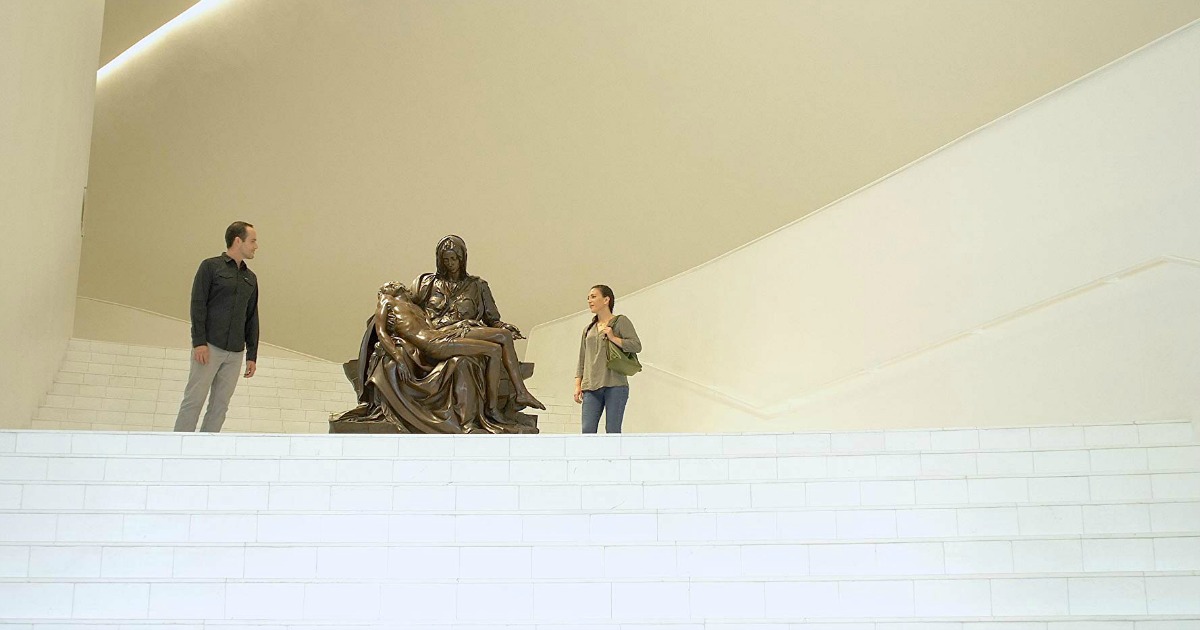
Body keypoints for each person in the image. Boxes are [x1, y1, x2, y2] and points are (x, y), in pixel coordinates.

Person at [332, 282, 542, 434]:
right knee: (493, 351)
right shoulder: (387, 300)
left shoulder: (416, 309)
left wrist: (460, 325)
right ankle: (493, 410)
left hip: (440, 336)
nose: (392, 283)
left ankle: (520, 393)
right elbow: (381, 332)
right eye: (389, 285)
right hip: (433, 345)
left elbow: (432, 328)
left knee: (502, 337)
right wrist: (396, 355)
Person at [174, 221, 259, 432]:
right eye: (253, 241)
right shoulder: (210, 267)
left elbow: (252, 317)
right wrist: (199, 342)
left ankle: (206, 451)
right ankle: (176, 448)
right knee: (194, 400)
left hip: (235, 353)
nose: (256, 246)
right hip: (210, 347)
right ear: (238, 240)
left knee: (220, 406)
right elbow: (198, 304)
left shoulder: (251, 278)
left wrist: (252, 355)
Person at [411, 235, 523, 337]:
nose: (450, 263)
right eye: (446, 260)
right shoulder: (427, 283)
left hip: (464, 336)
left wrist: (503, 327)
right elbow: (408, 307)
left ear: (461, 259)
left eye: (453, 259)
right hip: (433, 337)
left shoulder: (478, 286)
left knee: (500, 338)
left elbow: (493, 320)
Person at [574, 284, 642, 433]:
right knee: (587, 430)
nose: (589, 301)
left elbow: (636, 346)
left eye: (593, 297)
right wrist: (578, 384)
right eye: (588, 298)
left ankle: (613, 457)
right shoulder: (588, 329)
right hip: (590, 386)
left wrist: (613, 337)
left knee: (612, 430)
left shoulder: (620, 321)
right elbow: (582, 358)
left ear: (606, 300)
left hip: (615, 384)